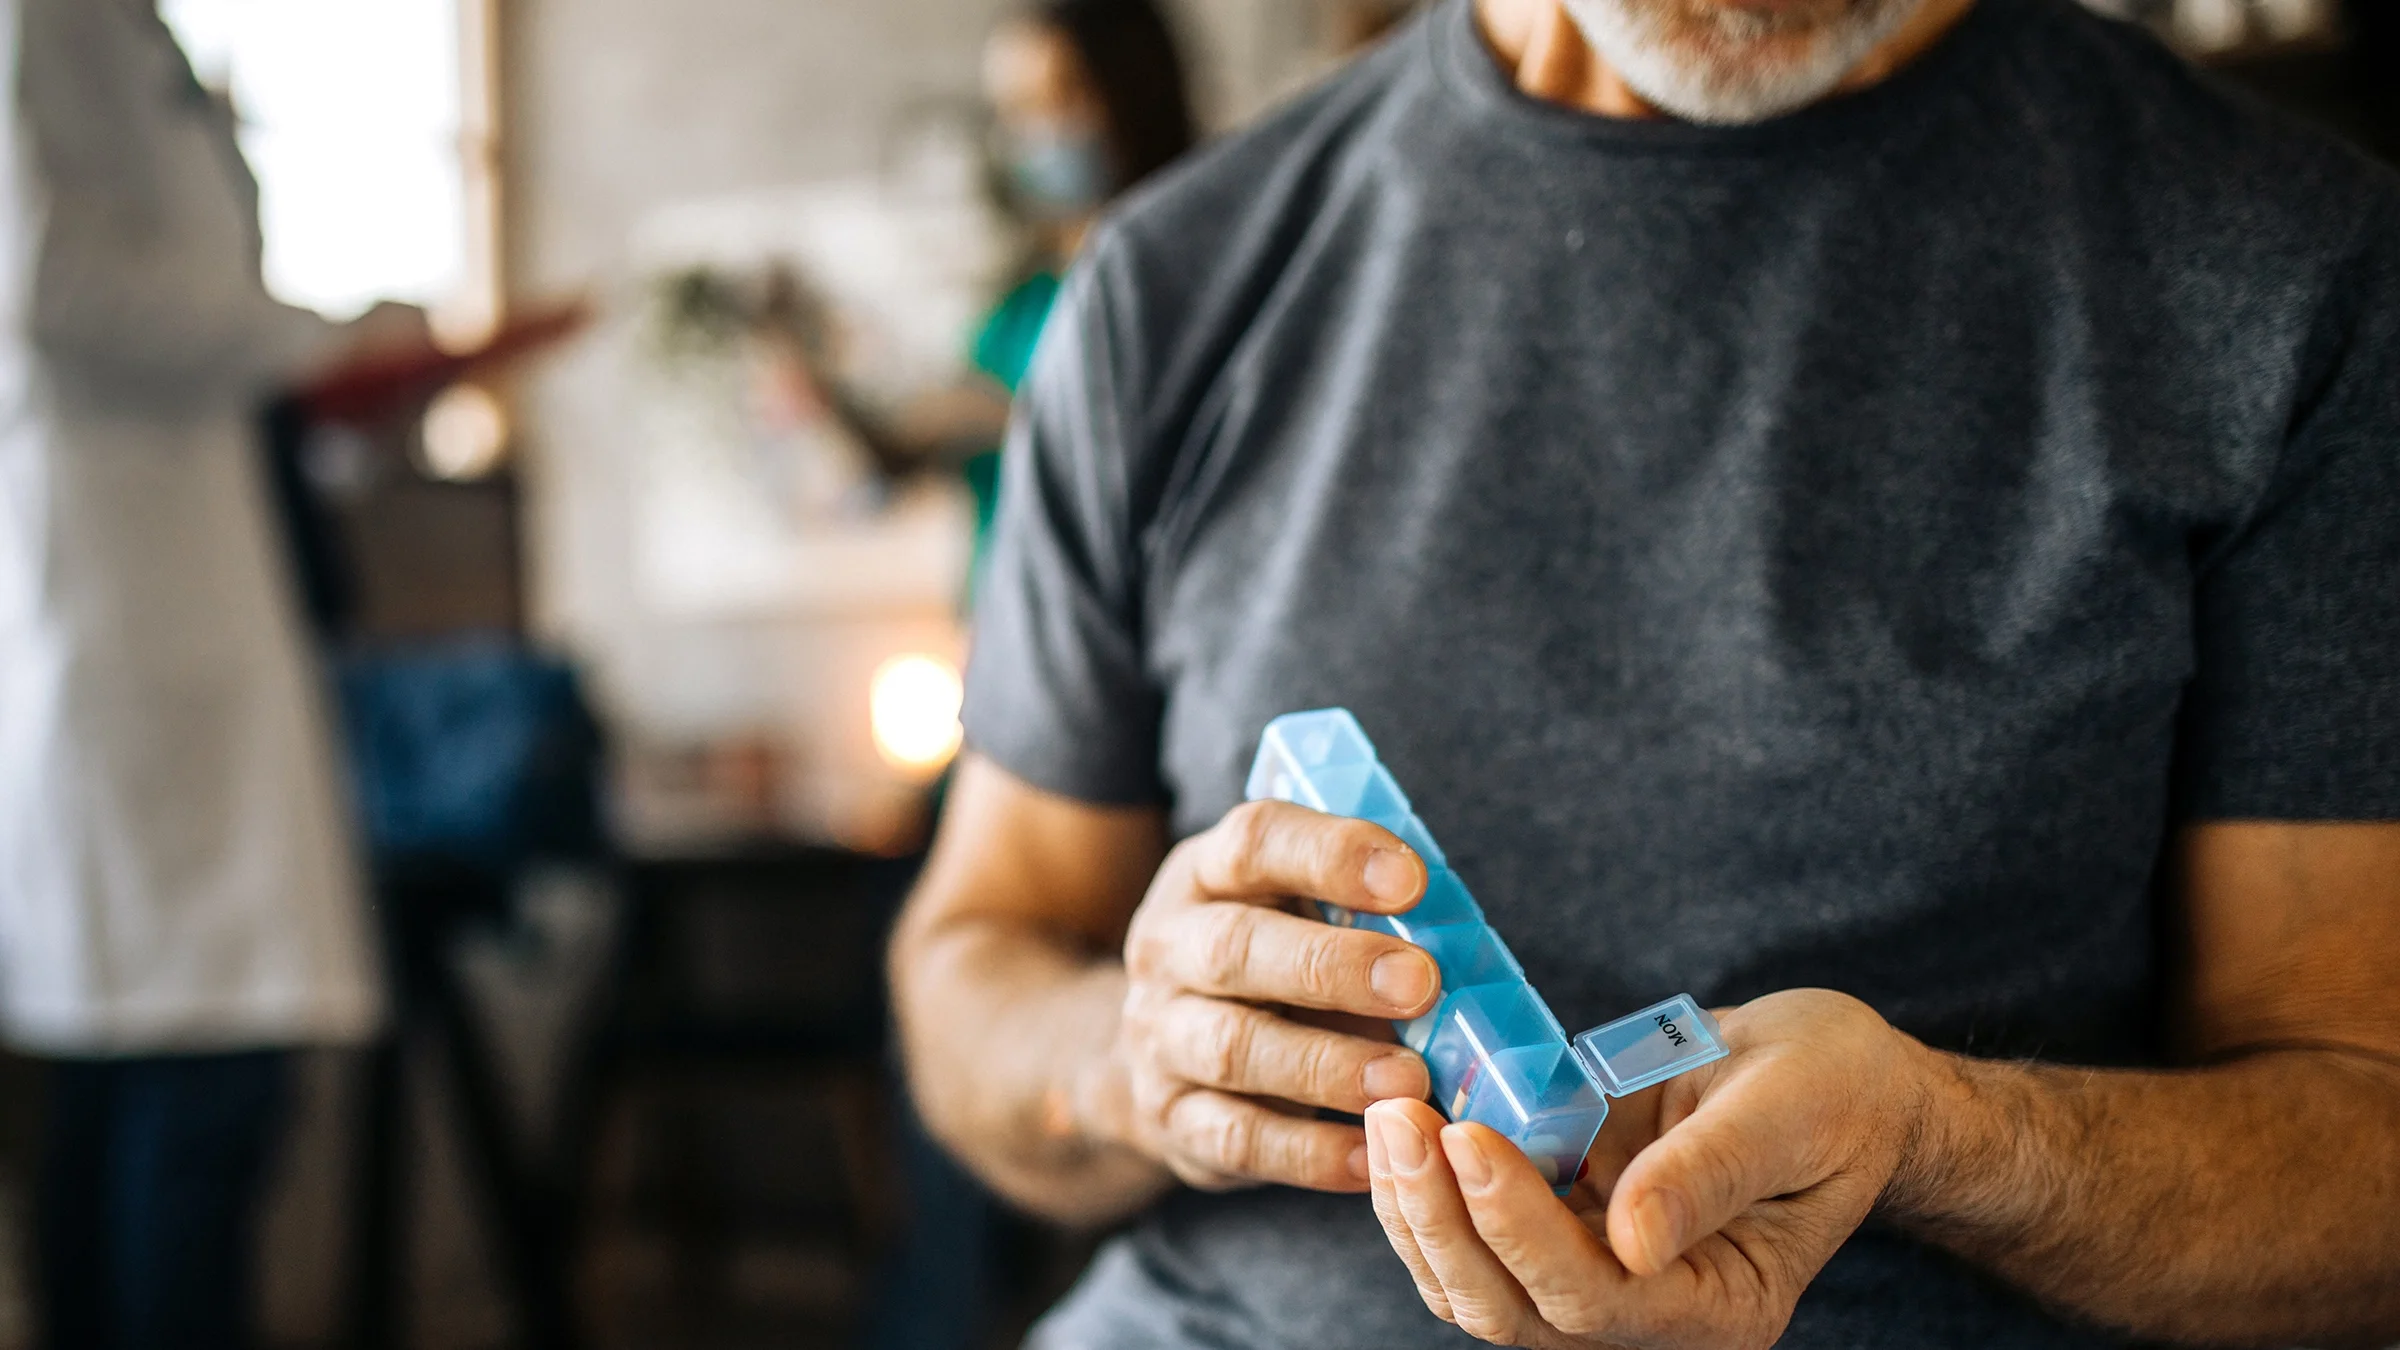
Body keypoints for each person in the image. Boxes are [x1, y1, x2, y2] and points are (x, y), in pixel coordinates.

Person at [887, 0, 2400, 1343]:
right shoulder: (1170, 287)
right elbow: (976, 961)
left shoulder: (2283, 274)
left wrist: (1943, 1139)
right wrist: (1137, 1057)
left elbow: (2363, 1155)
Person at [0, 3, 430, 1345]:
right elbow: (44, 277)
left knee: (163, 1098)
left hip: (183, 617)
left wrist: (326, 364)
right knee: (193, 1100)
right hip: (126, 633)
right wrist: (318, 342)